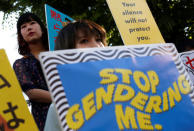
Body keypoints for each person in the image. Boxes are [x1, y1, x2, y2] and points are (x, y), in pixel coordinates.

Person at [44, 19, 107, 131]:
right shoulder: (60, 107)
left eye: (98, 39)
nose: (97, 46)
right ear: (66, 54)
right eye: (84, 41)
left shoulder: (128, 89)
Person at [13, 12, 52, 131]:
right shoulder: (21, 63)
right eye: (23, 27)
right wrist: (65, 99)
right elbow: (32, 92)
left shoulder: (60, 53)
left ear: (42, 28)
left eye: (32, 23)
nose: (29, 27)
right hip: (45, 119)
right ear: (21, 35)